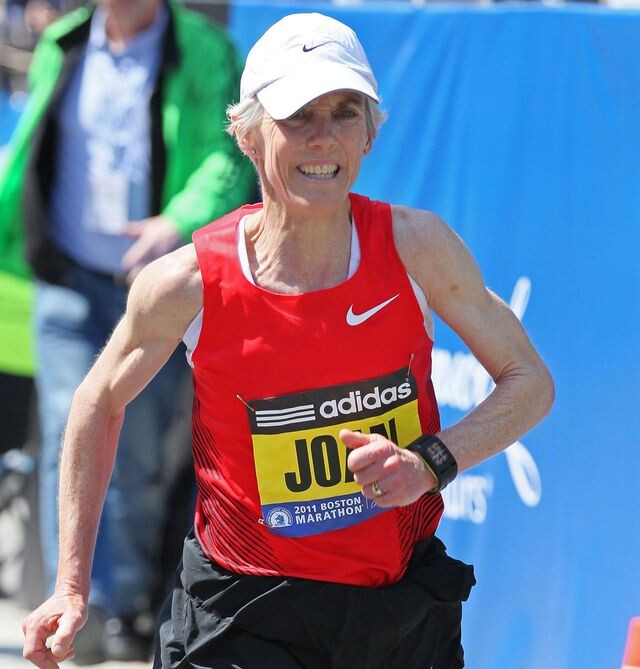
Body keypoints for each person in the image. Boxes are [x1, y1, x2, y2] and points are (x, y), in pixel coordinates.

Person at [22, 12, 554, 669]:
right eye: (297, 115)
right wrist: (71, 586)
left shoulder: (417, 247)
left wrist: (430, 463)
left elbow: (530, 381)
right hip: (242, 614)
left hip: (396, 611)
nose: (322, 137)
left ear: (369, 134)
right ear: (248, 134)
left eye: (344, 112)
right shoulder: (189, 282)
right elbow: (97, 401)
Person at [1, 0, 256, 661]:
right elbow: (31, 146)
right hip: (67, 283)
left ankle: (126, 603)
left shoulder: (205, 51)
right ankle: (75, 605)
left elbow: (227, 158)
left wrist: (177, 223)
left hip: (155, 292)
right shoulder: (63, 41)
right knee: (70, 428)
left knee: (136, 454)